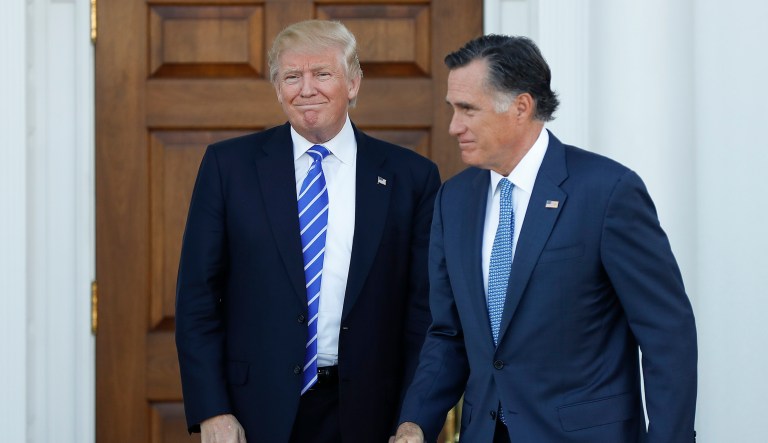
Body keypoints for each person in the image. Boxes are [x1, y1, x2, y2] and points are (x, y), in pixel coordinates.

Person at [391, 35, 697, 442]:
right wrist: (415, 421)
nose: (453, 126)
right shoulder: (454, 198)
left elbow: (666, 334)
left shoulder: (607, 191)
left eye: (467, 109)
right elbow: (448, 334)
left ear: (521, 106)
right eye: (452, 109)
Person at [175, 19, 440, 443]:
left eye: (322, 74)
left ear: (353, 84)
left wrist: (415, 418)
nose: (306, 88)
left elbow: (423, 313)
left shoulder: (412, 177)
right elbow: (197, 299)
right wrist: (212, 410)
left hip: (372, 413)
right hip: (253, 412)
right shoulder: (230, 168)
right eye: (291, 76)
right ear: (278, 88)